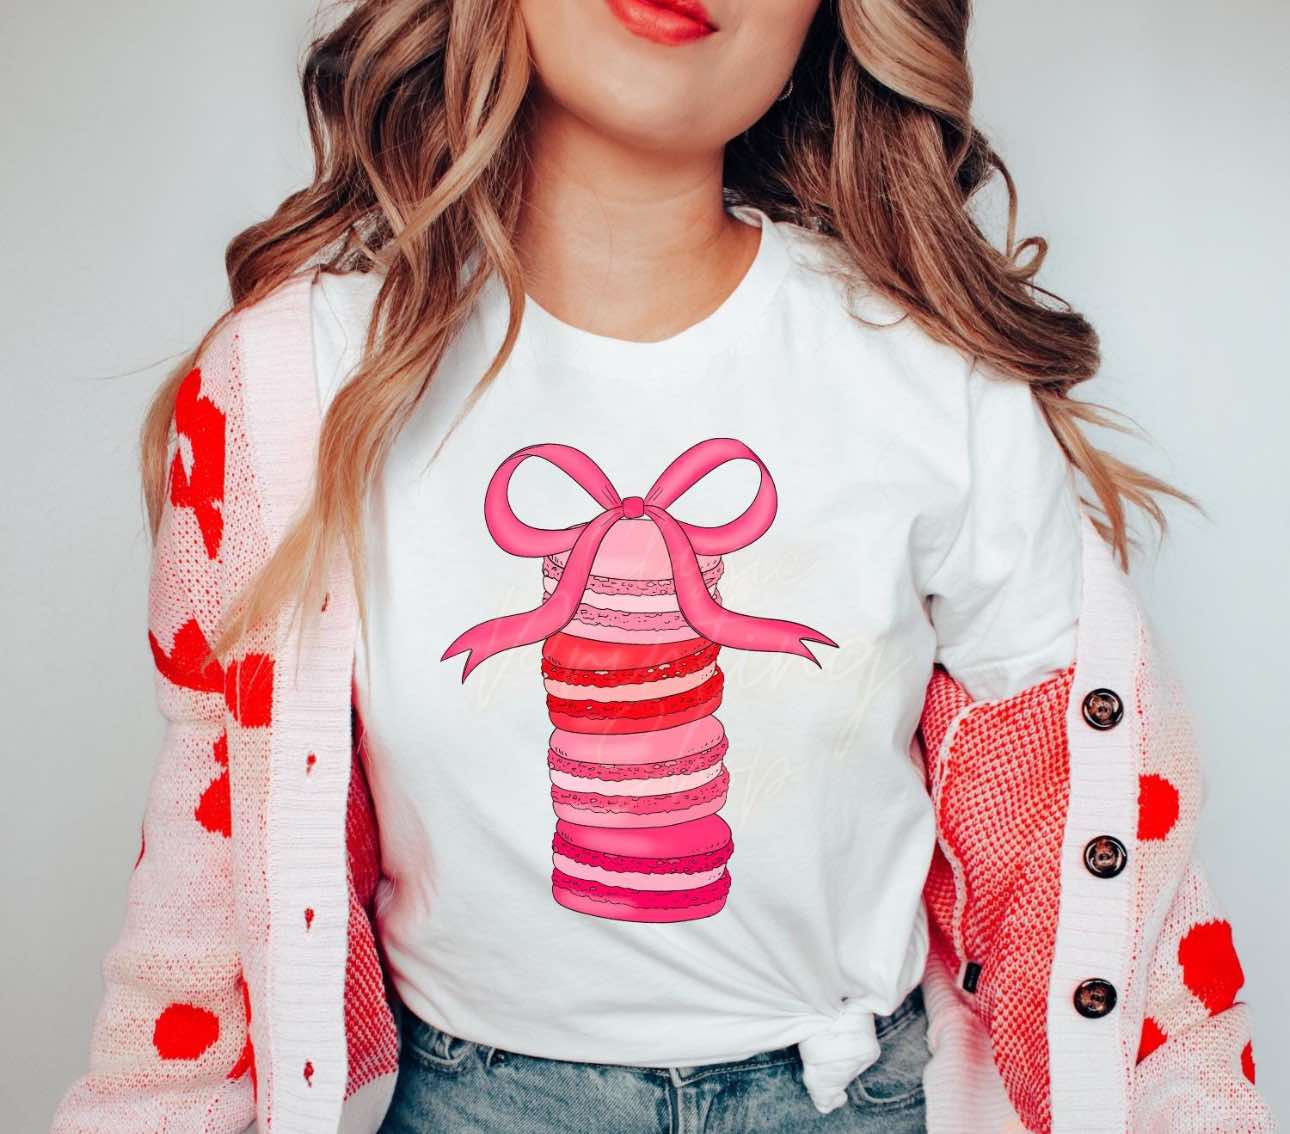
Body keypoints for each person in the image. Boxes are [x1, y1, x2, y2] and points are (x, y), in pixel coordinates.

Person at [53, 1, 1277, 1132]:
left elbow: (1096, 851)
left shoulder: (938, 378)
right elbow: (204, 906)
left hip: (848, 1096)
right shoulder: (296, 386)